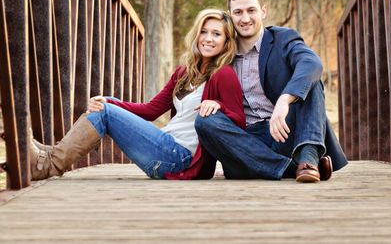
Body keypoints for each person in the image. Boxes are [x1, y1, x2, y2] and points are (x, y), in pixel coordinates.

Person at [28, 9, 245, 181]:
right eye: (204, 32)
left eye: (216, 34)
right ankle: (48, 156)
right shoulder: (183, 72)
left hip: (181, 159)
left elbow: (239, 124)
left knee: (104, 112)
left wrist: (219, 106)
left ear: (227, 43)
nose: (208, 39)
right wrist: (109, 101)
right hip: (167, 147)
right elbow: (150, 111)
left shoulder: (223, 75)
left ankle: (47, 164)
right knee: (103, 107)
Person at [195, 0, 348, 183]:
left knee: (311, 82)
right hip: (247, 142)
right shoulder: (223, 51)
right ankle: (289, 168)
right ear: (230, 15)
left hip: (284, 131)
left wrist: (284, 100)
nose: (245, 18)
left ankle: (308, 158)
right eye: (238, 12)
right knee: (204, 120)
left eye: (251, 10)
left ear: (263, 11)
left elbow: (312, 63)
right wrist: (215, 104)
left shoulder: (283, 38)